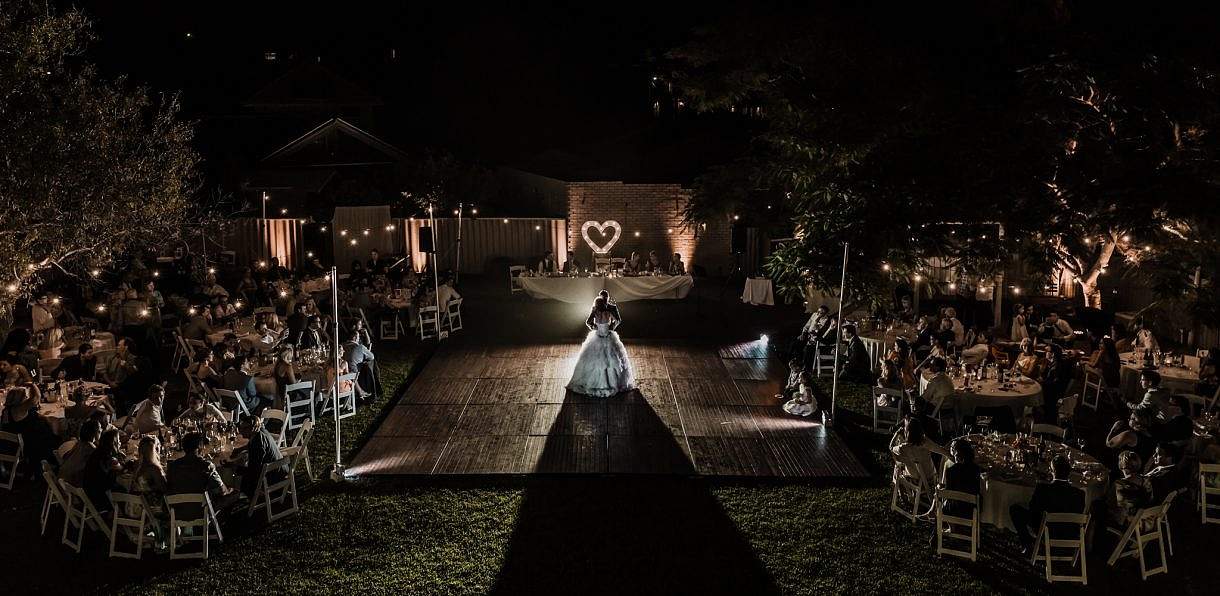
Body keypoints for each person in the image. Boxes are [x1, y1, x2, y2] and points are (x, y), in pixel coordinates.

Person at [1009, 455, 1086, 552]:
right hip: (1069, 532)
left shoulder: (1042, 489)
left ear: (1052, 471)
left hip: (1046, 531)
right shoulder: (1080, 494)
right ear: (1069, 472)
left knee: (1015, 509)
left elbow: (1033, 509)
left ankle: (1027, 543)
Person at [566, 296, 635, 397]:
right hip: (608, 336)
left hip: (597, 335)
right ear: (604, 304)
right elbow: (617, 320)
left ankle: (596, 382)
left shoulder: (595, 312)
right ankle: (611, 383)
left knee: (595, 361)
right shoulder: (608, 312)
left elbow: (587, 322)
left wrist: (594, 327)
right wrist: (612, 327)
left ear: (596, 304)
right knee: (611, 361)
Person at [167, 432, 236, 515]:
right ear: (200, 447)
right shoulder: (206, 465)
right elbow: (222, 491)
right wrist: (228, 490)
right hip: (201, 511)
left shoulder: (173, 466)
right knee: (234, 493)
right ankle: (222, 523)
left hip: (178, 512)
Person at [1, 387, 59, 469]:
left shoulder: (6, 410)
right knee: (52, 434)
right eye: (25, 396)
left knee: (50, 427)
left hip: (20, 441)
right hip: (27, 444)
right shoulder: (19, 408)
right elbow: (36, 397)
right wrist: (32, 384)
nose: (27, 398)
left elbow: (33, 415)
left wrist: (45, 418)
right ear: (19, 399)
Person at [890, 416, 949, 487]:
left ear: (907, 431)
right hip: (930, 480)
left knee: (897, 466)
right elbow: (941, 450)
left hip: (913, 481)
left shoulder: (903, 447)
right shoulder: (925, 442)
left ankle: (900, 492)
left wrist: (897, 434)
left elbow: (891, 447)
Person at [235, 416, 283, 498]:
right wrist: (239, 449)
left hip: (274, 476)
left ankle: (239, 495)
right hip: (279, 467)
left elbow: (254, 471)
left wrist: (235, 467)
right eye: (241, 427)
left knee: (236, 477)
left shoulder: (258, 445)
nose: (241, 431)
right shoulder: (260, 431)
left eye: (245, 428)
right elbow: (250, 444)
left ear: (253, 428)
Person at [82, 428, 124, 511]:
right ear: (113, 443)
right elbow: (121, 469)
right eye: (118, 440)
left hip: (89, 493)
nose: (120, 443)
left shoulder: (97, 453)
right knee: (125, 489)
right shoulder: (109, 458)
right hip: (100, 498)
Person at [1109, 451, 1153, 529]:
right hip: (1147, 523)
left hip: (1132, 524)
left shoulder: (1120, 484)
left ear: (1122, 466)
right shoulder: (1146, 480)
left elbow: (1113, 504)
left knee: (1096, 508)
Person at [940, 439, 982, 517]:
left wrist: (940, 489)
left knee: (943, 496)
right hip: (972, 509)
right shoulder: (976, 469)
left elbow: (948, 492)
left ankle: (952, 527)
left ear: (955, 453)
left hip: (954, 509)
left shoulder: (950, 470)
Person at [58, 420, 102, 487]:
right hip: (73, 487)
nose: (101, 430)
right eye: (100, 428)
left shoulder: (79, 443)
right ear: (95, 432)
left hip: (62, 481)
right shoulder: (91, 449)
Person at [1039, 343, 1073, 423]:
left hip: (1053, 394)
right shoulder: (1052, 363)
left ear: (1053, 353)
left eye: (1047, 351)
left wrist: (1042, 382)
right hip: (1051, 390)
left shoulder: (1057, 366)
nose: (1045, 353)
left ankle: (1044, 421)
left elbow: (1056, 383)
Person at [343, 330, 376, 398]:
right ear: (355, 337)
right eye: (358, 337)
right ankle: (368, 389)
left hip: (342, 373)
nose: (359, 338)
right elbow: (371, 356)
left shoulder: (341, 345)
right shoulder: (360, 347)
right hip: (354, 373)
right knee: (368, 365)